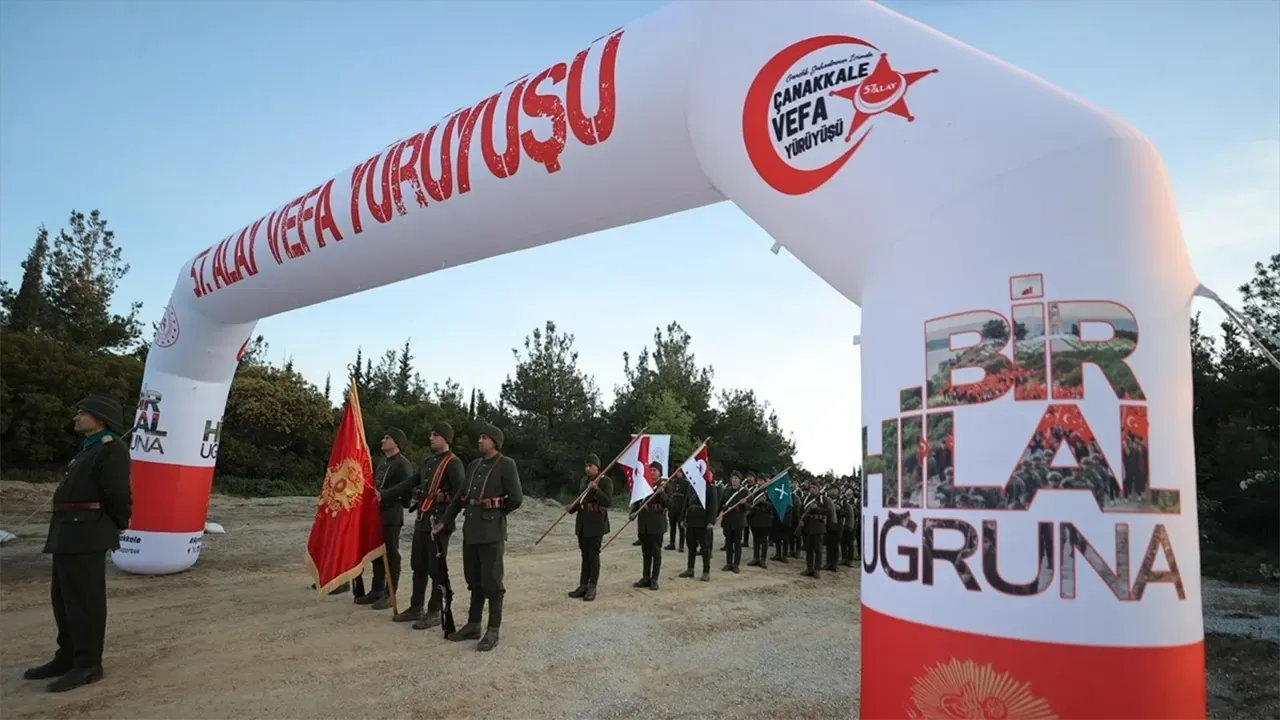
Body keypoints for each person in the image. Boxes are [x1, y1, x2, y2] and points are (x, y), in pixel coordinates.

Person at [25, 394, 132, 693]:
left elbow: (118, 492)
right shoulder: (89, 448)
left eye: (83, 412)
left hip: (87, 532)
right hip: (68, 532)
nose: (76, 417)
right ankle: (68, 656)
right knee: (63, 599)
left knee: (85, 602)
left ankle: (88, 664)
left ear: (100, 419)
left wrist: (119, 522)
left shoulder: (112, 448)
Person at [435, 425, 522, 652]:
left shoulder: (506, 464)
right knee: (474, 580)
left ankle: (493, 629)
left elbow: (516, 498)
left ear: (495, 442)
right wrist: (444, 521)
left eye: (485, 437)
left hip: (492, 532)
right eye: (479, 437)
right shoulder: (473, 465)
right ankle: (473, 625)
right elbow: (459, 497)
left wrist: (495, 512)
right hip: (471, 531)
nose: (480, 441)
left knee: (492, 582)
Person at [394, 422, 465, 629]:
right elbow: (409, 482)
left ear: (446, 438)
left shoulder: (453, 463)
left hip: (439, 523)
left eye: (435, 435)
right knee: (418, 566)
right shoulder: (428, 461)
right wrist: (385, 494)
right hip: (423, 520)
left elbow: (460, 496)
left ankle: (434, 611)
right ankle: (416, 607)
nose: (431, 438)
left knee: (436, 569)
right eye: (431, 434)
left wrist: (445, 521)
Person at [356, 428, 415, 610]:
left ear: (396, 443)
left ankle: (390, 593)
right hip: (377, 514)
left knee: (391, 554)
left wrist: (388, 497)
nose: (383, 440)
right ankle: (377, 589)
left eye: (387, 438)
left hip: (392, 515)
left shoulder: (403, 464)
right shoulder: (383, 463)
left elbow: (408, 490)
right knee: (377, 553)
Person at [567, 454, 613, 601]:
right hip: (582, 523)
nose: (587, 469)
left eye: (590, 466)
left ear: (597, 467)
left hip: (596, 524)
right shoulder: (584, 481)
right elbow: (581, 500)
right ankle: (583, 585)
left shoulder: (605, 481)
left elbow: (608, 502)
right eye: (586, 466)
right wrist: (572, 508)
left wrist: (596, 490)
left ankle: (592, 586)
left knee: (593, 556)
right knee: (584, 555)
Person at [631, 462, 668, 590]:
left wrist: (661, 493)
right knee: (646, 553)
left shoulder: (665, 486)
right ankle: (645, 577)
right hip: (644, 524)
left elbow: (671, 504)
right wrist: (632, 512)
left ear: (660, 473)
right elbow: (637, 502)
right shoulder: (644, 485)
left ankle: (654, 579)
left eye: (654, 470)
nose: (652, 472)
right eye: (650, 470)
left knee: (656, 553)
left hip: (657, 525)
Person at [679, 468, 719, 581]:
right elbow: (686, 504)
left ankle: (706, 572)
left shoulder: (710, 488)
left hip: (703, 521)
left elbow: (713, 505)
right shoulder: (690, 487)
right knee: (691, 546)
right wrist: (682, 518)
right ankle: (690, 569)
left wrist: (711, 521)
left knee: (705, 548)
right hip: (691, 520)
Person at [799, 480, 837, 578]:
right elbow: (802, 510)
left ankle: (817, 569)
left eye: (814, 488)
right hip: (807, 526)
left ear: (819, 489)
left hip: (819, 526)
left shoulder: (824, 499)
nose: (812, 489)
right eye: (811, 488)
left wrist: (817, 508)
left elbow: (829, 511)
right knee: (809, 549)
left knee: (818, 549)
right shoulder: (806, 499)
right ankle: (809, 568)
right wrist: (801, 521)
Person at [719, 471, 749, 573]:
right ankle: (729, 563)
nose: (734, 480)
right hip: (727, 519)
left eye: (736, 478)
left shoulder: (745, 491)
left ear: (740, 480)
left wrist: (744, 503)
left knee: (737, 544)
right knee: (728, 543)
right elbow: (721, 502)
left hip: (738, 520)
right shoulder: (726, 490)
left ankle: (736, 565)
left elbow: (749, 507)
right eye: (732, 478)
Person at [746, 475, 773, 569]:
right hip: (754, 518)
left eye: (761, 481)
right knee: (756, 539)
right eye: (758, 481)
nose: (759, 483)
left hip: (765, 519)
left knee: (764, 540)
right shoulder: (754, 492)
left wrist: (764, 502)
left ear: (765, 482)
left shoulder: (769, 492)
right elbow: (749, 504)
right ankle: (756, 558)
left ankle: (763, 560)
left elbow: (772, 506)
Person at [664, 470, 688, 552]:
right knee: (672, 527)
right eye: (677, 472)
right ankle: (672, 543)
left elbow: (686, 497)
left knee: (681, 527)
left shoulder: (686, 483)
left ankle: (681, 545)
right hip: (672, 508)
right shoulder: (673, 482)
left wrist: (685, 509)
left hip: (681, 508)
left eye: (680, 472)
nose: (678, 474)